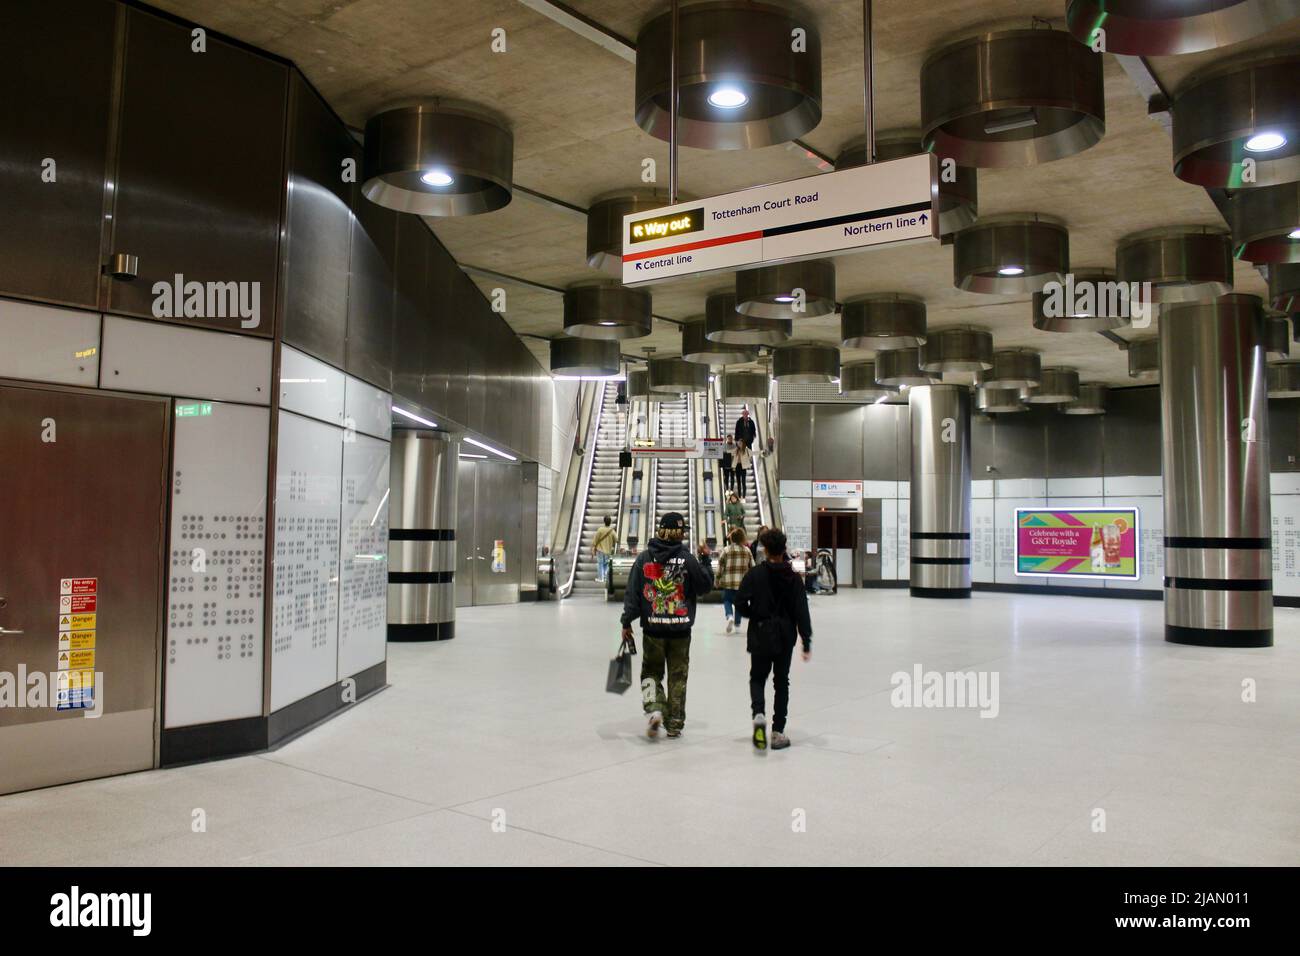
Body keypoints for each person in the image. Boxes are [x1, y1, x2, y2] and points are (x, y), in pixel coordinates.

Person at [620, 513, 714, 738]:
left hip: (653, 629)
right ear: (678, 533)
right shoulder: (687, 558)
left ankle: (654, 709)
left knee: (651, 673)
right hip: (681, 630)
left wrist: (626, 622)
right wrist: (706, 561)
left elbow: (633, 593)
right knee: (678, 677)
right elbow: (704, 586)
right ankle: (674, 724)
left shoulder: (644, 558)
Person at [737, 528, 812, 751]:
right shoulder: (794, 578)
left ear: (765, 549)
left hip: (761, 632)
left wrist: (754, 614)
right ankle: (778, 731)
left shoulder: (755, 574)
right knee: (781, 681)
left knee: (758, 678)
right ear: (784, 549)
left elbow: (740, 602)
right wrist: (806, 641)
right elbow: (802, 611)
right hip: (784, 635)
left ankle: (759, 714)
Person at [717, 527, 754, 634]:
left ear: (731, 538)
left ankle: (729, 617)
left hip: (728, 583)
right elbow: (753, 566)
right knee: (739, 603)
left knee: (727, 601)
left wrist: (717, 579)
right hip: (743, 584)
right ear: (743, 538)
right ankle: (737, 623)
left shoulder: (726, 550)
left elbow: (720, 566)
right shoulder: (747, 551)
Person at [591, 515, 617, 584]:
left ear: (604, 521)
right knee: (606, 564)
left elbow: (595, 539)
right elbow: (617, 539)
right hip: (608, 551)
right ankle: (605, 577)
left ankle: (600, 578)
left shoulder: (600, 529)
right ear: (610, 522)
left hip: (600, 550)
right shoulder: (612, 531)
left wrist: (593, 547)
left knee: (600, 563)